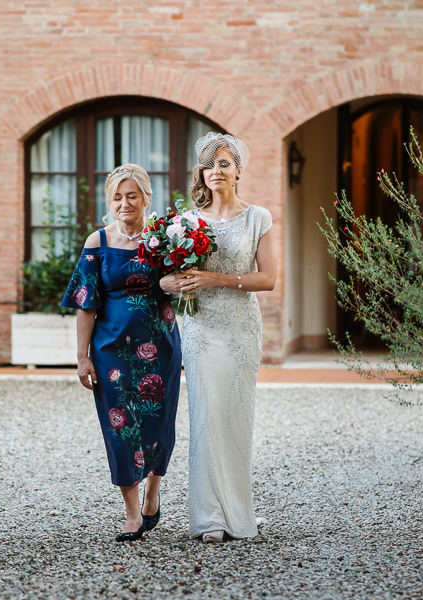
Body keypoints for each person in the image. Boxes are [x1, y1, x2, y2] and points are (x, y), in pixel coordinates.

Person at [159, 133, 277, 543]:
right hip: (201, 328)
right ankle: (209, 518)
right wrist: (175, 282)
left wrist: (215, 278)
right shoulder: (187, 222)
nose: (216, 171)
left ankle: (237, 512)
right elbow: (164, 279)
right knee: (206, 417)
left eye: (224, 163)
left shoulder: (257, 217)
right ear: (201, 173)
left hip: (242, 328)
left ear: (238, 170)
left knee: (236, 418)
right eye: (210, 165)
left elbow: (268, 278)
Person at [61, 163, 182, 542]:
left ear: (147, 197)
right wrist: (82, 356)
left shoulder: (165, 239)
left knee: (159, 425)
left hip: (160, 346)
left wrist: (173, 283)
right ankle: (132, 515)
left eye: (132, 195)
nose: (124, 203)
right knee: (120, 428)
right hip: (110, 349)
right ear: (108, 201)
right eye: (117, 196)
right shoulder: (97, 242)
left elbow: (183, 287)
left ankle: (152, 496)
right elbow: (85, 304)